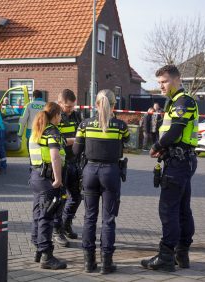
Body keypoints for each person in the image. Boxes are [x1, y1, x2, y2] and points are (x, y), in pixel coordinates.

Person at [141, 65, 198, 272]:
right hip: (179, 160)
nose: (161, 86)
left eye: (164, 82)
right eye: (159, 83)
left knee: (168, 209)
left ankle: (166, 256)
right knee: (182, 208)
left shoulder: (184, 102)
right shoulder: (174, 102)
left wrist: (156, 147)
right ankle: (181, 254)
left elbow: (175, 130)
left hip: (179, 162)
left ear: (177, 79)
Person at [73, 89, 130, 274]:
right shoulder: (121, 126)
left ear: (95, 104)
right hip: (111, 172)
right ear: (114, 105)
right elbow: (127, 141)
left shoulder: (85, 124)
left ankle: (88, 263)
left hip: (90, 171)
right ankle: (107, 263)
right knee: (108, 219)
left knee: (89, 217)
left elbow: (75, 151)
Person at [29, 102, 67, 270]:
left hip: (36, 176)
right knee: (47, 216)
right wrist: (58, 179)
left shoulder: (37, 130)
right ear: (55, 115)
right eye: (60, 115)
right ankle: (47, 256)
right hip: (47, 178)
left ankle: (38, 249)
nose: (61, 118)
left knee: (38, 213)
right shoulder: (52, 131)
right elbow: (55, 157)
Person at [53, 89, 83, 247]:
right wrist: (77, 139)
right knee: (60, 198)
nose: (70, 109)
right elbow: (58, 141)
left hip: (75, 162)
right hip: (62, 163)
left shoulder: (77, 116)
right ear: (59, 103)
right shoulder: (55, 118)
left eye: (72, 106)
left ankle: (66, 224)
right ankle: (57, 230)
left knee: (77, 197)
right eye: (67, 106)